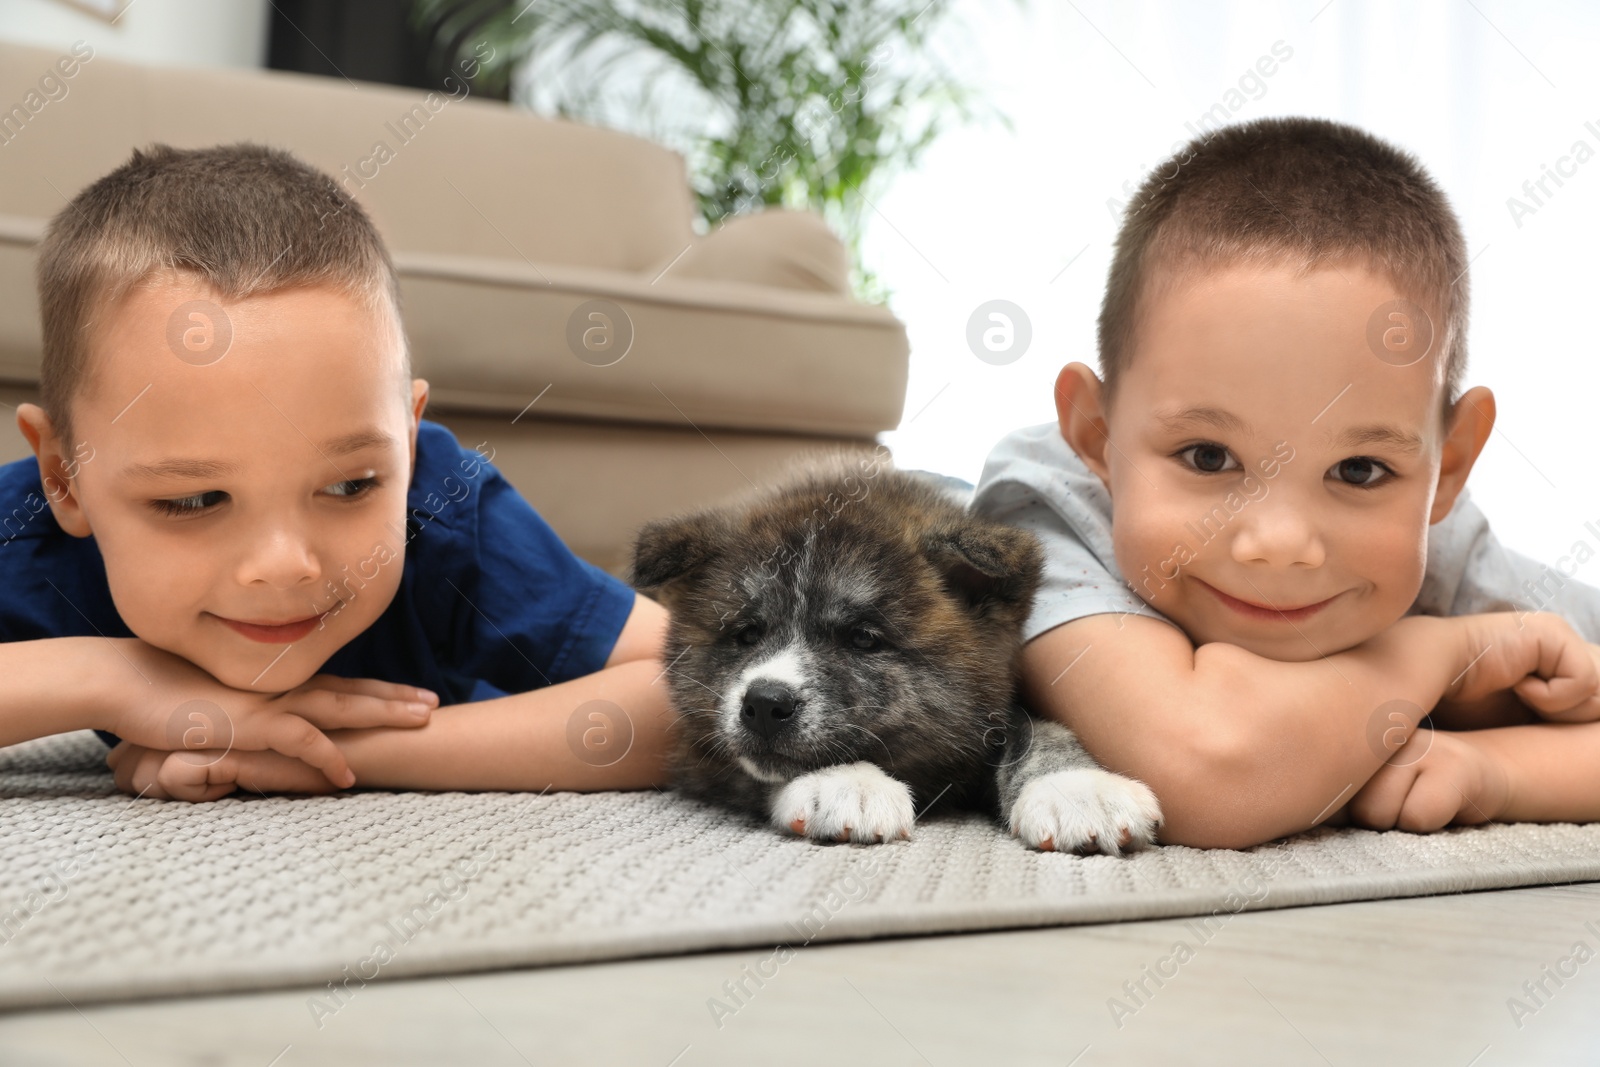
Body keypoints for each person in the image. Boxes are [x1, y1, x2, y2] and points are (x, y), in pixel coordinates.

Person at [971, 116, 1600, 849]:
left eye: (1359, 470)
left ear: (1447, 467)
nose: (1280, 543)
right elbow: (1206, 774)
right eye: (1208, 456)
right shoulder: (1047, 514)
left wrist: (1497, 770)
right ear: (1096, 436)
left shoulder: (1441, 546)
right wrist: (1447, 652)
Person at [1, 142, 675, 801]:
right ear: (64, 477)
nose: (285, 564)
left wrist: (318, 751)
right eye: (195, 499)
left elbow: (693, 689)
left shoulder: (443, 512)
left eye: (351, 486)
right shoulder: (24, 532)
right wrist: (117, 680)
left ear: (407, 445)